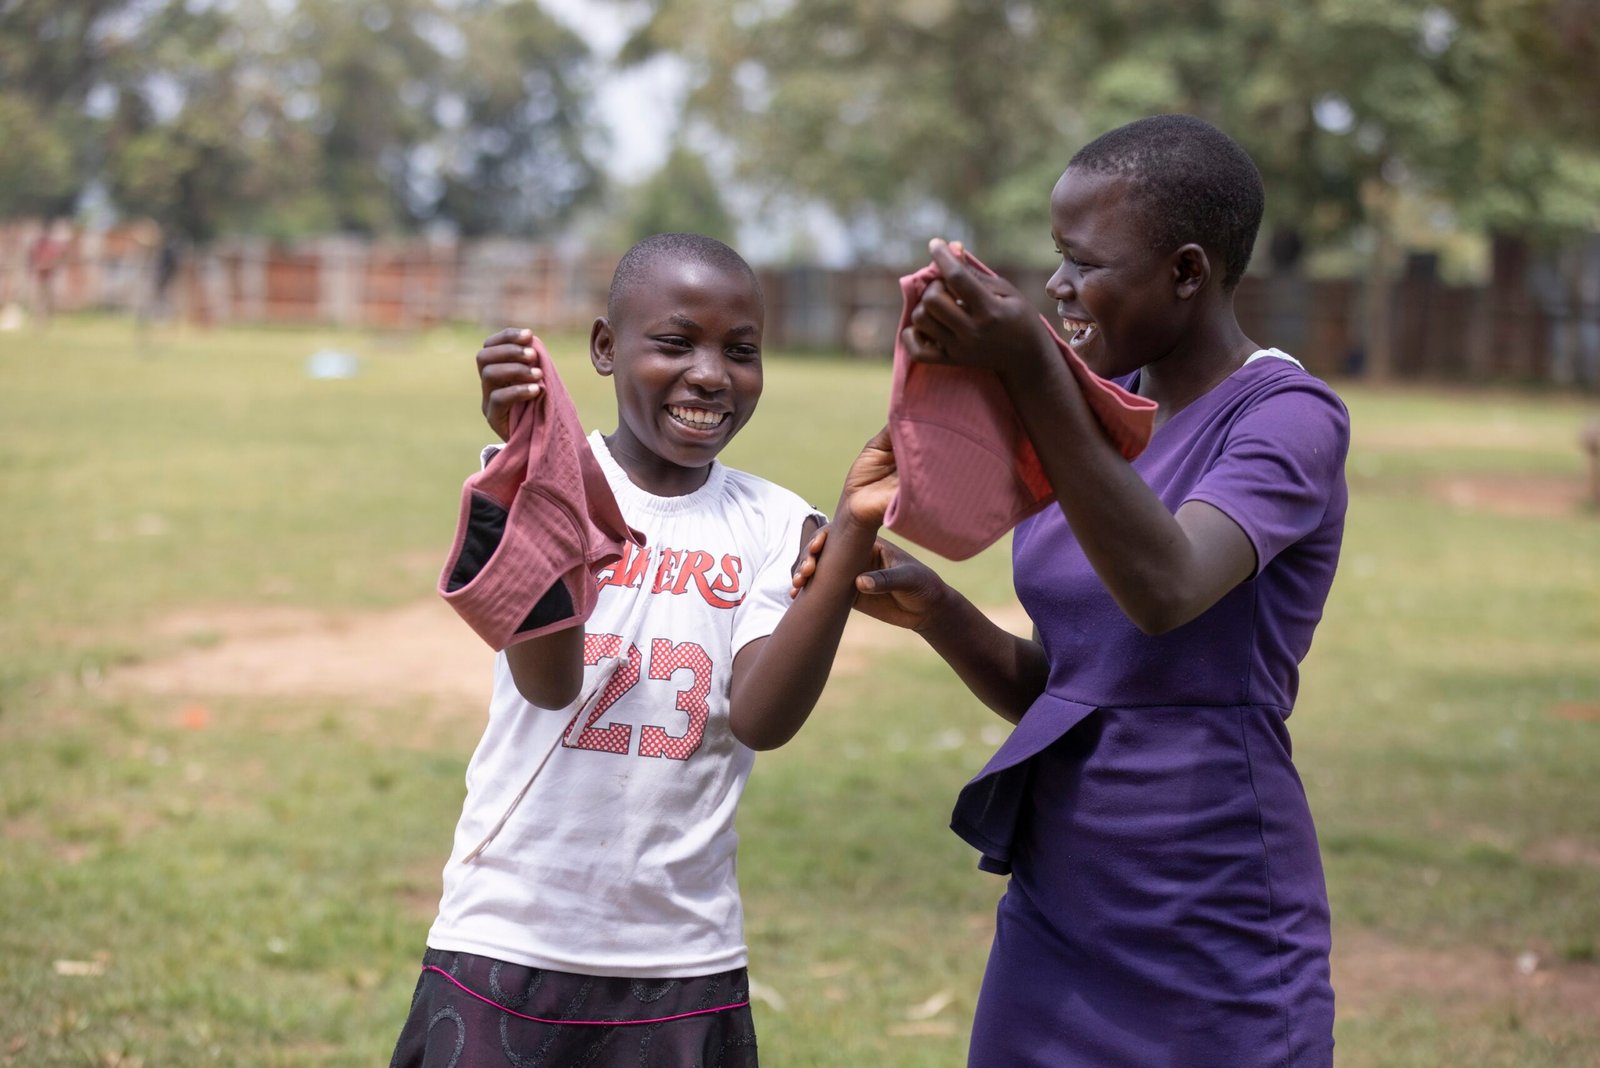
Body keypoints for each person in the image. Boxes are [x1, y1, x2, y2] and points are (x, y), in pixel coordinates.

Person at [798, 114, 1348, 1066]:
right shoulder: (1110, 405)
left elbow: (1168, 587)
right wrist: (940, 613)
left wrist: (1033, 372)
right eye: (1055, 257)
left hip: (1208, 911)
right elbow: (1086, 687)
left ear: (1186, 272)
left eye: (1082, 261)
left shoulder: (1289, 418)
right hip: (1061, 903)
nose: (1057, 287)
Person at [391, 233, 891, 1068]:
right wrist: (531, 463)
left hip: (682, 954)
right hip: (508, 931)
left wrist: (845, 542)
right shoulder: (542, 482)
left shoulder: (774, 524)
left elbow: (763, 717)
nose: (710, 373)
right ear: (603, 347)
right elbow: (549, 682)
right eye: (674, 342)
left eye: (741, 351)